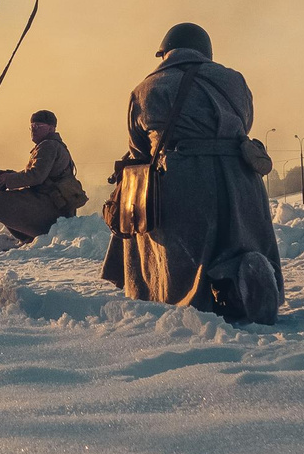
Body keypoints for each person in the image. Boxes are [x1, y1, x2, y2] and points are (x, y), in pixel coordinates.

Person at [100, 23, 283, 323]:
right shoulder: (234, 80)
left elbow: (138, 150)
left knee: (172, 252)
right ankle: (240, 277)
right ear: (205, 51)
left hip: (181, 177)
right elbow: (245, 123)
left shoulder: (145, 89)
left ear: (165, 52)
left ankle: (175, 295)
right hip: (240, 180)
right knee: (237, 240)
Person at [0, 109, 88, 246]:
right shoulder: (53, 145)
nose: (34, 130)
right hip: (55, 203)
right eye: (32, 126)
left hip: (49, 203)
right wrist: (12, 175)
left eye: (38, 127)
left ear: (51, 128)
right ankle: (29, 238)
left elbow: (36, 176)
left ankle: (29, 238)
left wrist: (9, 179)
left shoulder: (48, 145)